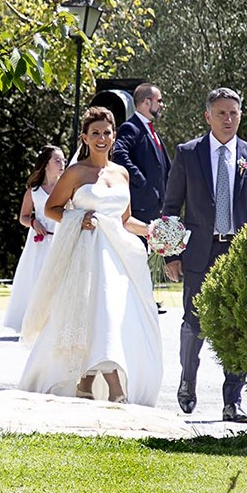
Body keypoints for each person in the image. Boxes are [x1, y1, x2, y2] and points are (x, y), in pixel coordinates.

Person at [17, 108, 161, 405]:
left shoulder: (121, 173)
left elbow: (125, 220)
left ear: (114, 136)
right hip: (87, 254)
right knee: (100, 310)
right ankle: (114, 386)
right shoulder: (76, 173)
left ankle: (86, 381)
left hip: (119, 257)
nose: (101, 138)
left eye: (106, 132)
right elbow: (51, 209)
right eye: (95, 133)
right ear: (84, 137)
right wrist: (77, 218)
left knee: (114, 314)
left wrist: (153, 231)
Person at [161, 87, 247, 422]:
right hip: (198, 252)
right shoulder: (188, 153)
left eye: (233, 113)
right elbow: (171, 207)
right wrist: (171, 255)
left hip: (239, 254)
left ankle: (232, 402)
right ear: (207, 116)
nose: (228, 119)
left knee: (240, 326)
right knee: (193, 323)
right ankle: (187, 381)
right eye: (221, 113)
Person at [2, 144, 66, 332]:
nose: (62, 164)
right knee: (36, 279)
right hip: (39, 243)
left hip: (60, 239)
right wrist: (33, 222)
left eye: (63, 160)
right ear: (46, 164)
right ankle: (33, 322)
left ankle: (55, 323)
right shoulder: (34, 191)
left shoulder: (66, 187)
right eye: (57, 160)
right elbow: (22, 216)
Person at [111, 83, 171, 226]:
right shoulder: (131, 127)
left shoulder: (151, 130)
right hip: (140, 210)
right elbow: (118, 153)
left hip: (157, 209)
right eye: (159, 101)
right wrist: (141, 181)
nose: (162, 105)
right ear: (147, 102)